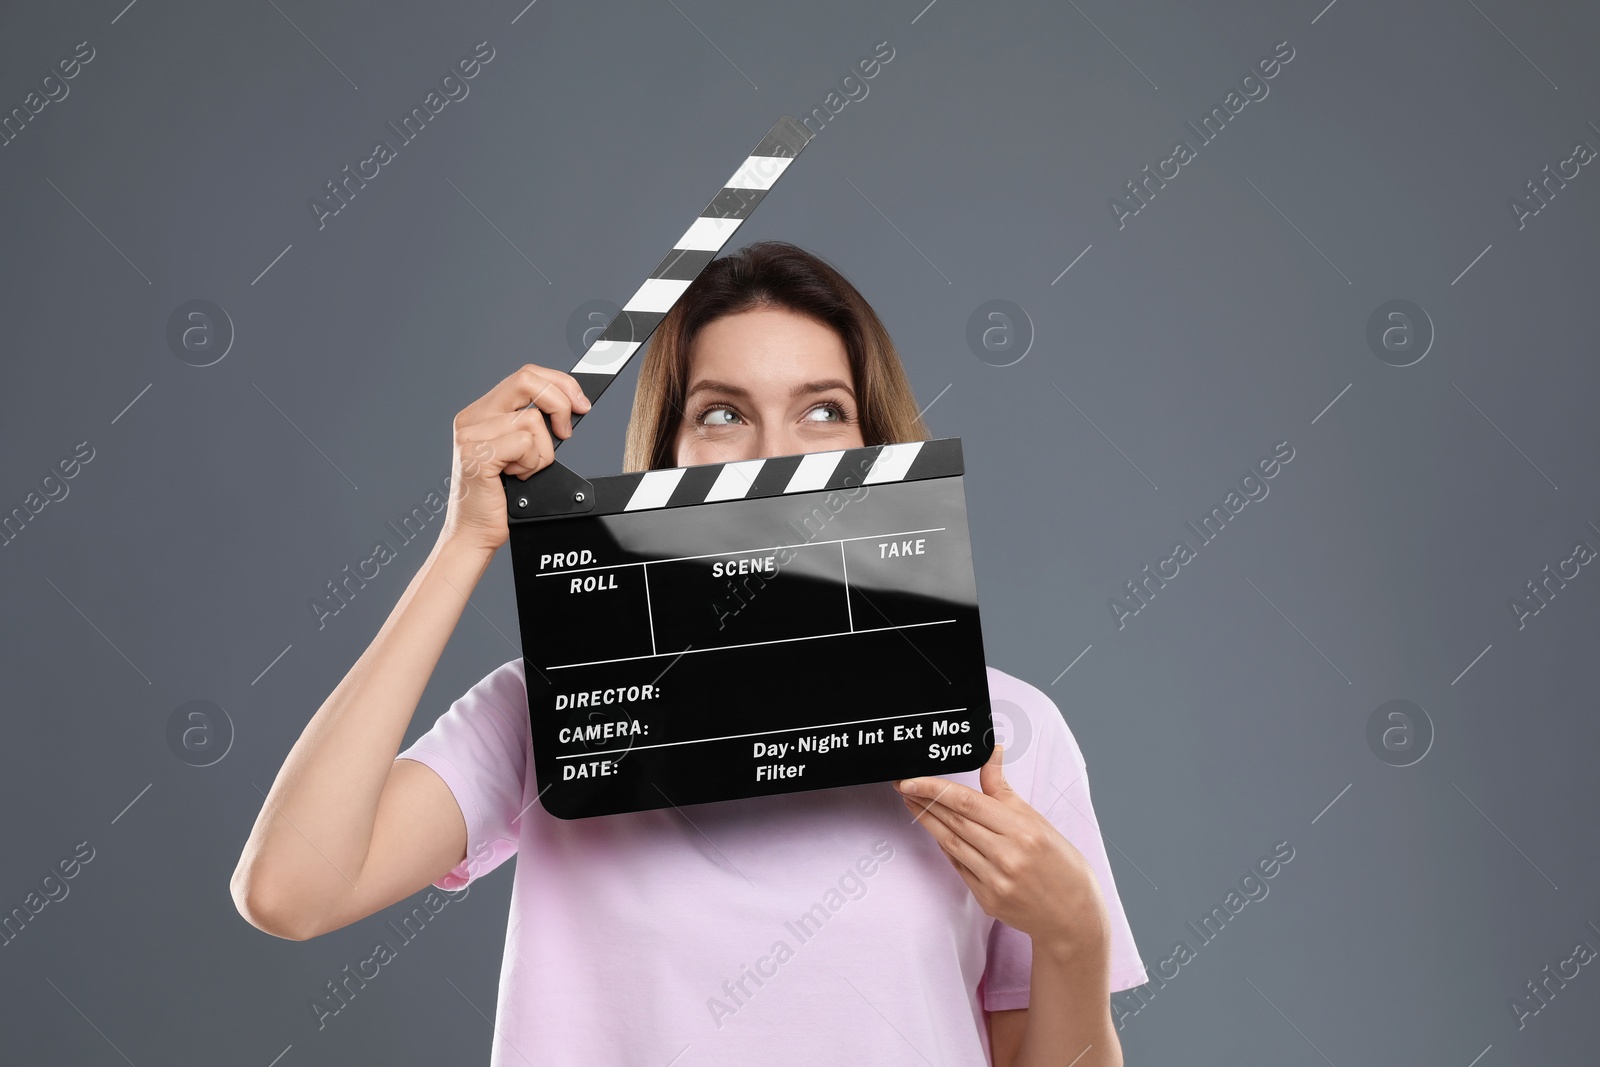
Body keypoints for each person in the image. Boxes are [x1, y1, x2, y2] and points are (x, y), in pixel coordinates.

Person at [231, 241, 1147, 1066]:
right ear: (665, 452)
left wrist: (1072, 937)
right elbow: (291, 889)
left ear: (875, 438)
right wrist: (462, 541)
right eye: (722, 415)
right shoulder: (556, 702)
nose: (772, 455)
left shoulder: (1008, 733)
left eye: (823, 409)